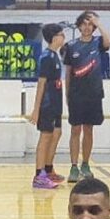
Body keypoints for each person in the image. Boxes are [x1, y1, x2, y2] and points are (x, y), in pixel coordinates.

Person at [63, 10, 110, 182]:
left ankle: (85, 164)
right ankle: (73, 167)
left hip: (94, 94)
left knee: (89, 129)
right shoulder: (71, 46)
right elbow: (68, 73)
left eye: (90, 24)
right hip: (76, 95)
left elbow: (109, 41)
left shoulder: (98, 42)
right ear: (79, 26)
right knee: (75, 130)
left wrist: (99, 23)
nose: (87, 27)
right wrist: (67, 94)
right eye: (84, 24)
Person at [29, 23, 67, 190]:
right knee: (45, 136)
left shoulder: (55, 56)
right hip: (47, 103)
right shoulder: (46, 57)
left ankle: (48, 168)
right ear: (54, 38)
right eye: (61, 34)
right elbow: (41, 84)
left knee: (56, 133)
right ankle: (39, 175)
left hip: (56, 102)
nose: (64, 37)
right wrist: (36, 109)